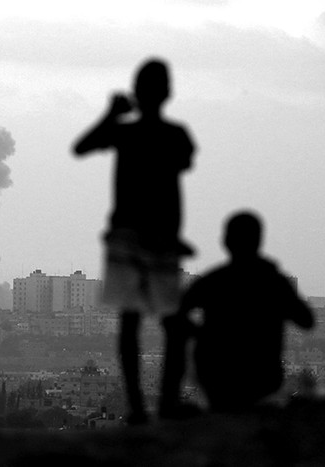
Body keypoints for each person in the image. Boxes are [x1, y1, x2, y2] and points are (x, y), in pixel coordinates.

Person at [73, 58, 196, 424]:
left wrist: (111, 115)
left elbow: (83, 146)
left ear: (138, 93)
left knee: (130, 324)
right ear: (168, 93)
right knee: (172, 323)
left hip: (127, 237)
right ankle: (166, 405)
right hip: (160, 239)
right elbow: (179, 173)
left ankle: (138, 408)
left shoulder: (125, 133)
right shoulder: (176, 136)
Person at [160, 211, 315, 415]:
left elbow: (171, 313)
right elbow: (306, 321)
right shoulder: (273, 281)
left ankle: (169, 403)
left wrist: (201, 334)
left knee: (175, 331)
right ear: (259, 241)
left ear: (226, 242)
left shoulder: (215, 280)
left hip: (217, 374)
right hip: (263, 376)